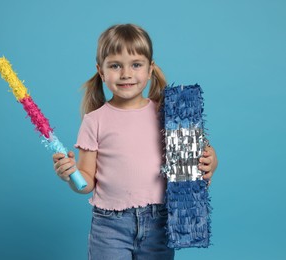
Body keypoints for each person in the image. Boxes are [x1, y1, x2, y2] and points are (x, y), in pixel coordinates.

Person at [53, 24, 218, 260]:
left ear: (150, 69)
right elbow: (86, 182)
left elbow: (200, 161)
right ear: (101, 71)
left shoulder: (169, 113)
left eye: (136, 65)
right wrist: (71, 174)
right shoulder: (94, 121)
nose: (126, 74)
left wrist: (211, 161)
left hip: (160, 221)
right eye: (115, 65)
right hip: (110, 225)